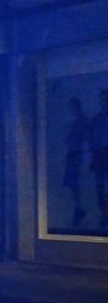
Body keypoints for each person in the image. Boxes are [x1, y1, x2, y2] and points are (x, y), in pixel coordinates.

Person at [63, 96, 90, 225]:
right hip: (72, 155)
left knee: (76, 183)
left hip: (77, 155)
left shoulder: (82, 122)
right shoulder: (75, 122)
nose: (71, 110)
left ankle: (79, 209)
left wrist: (82, 155)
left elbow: (85, 139)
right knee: (72, 185)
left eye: (72, 107)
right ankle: (77, 208)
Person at [90, 88, 108, 230]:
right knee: (100, 186)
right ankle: (104, 214)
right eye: (102, 100)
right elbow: (92, 140)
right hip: (100, 155)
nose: (105, 102)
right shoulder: (96, 119)